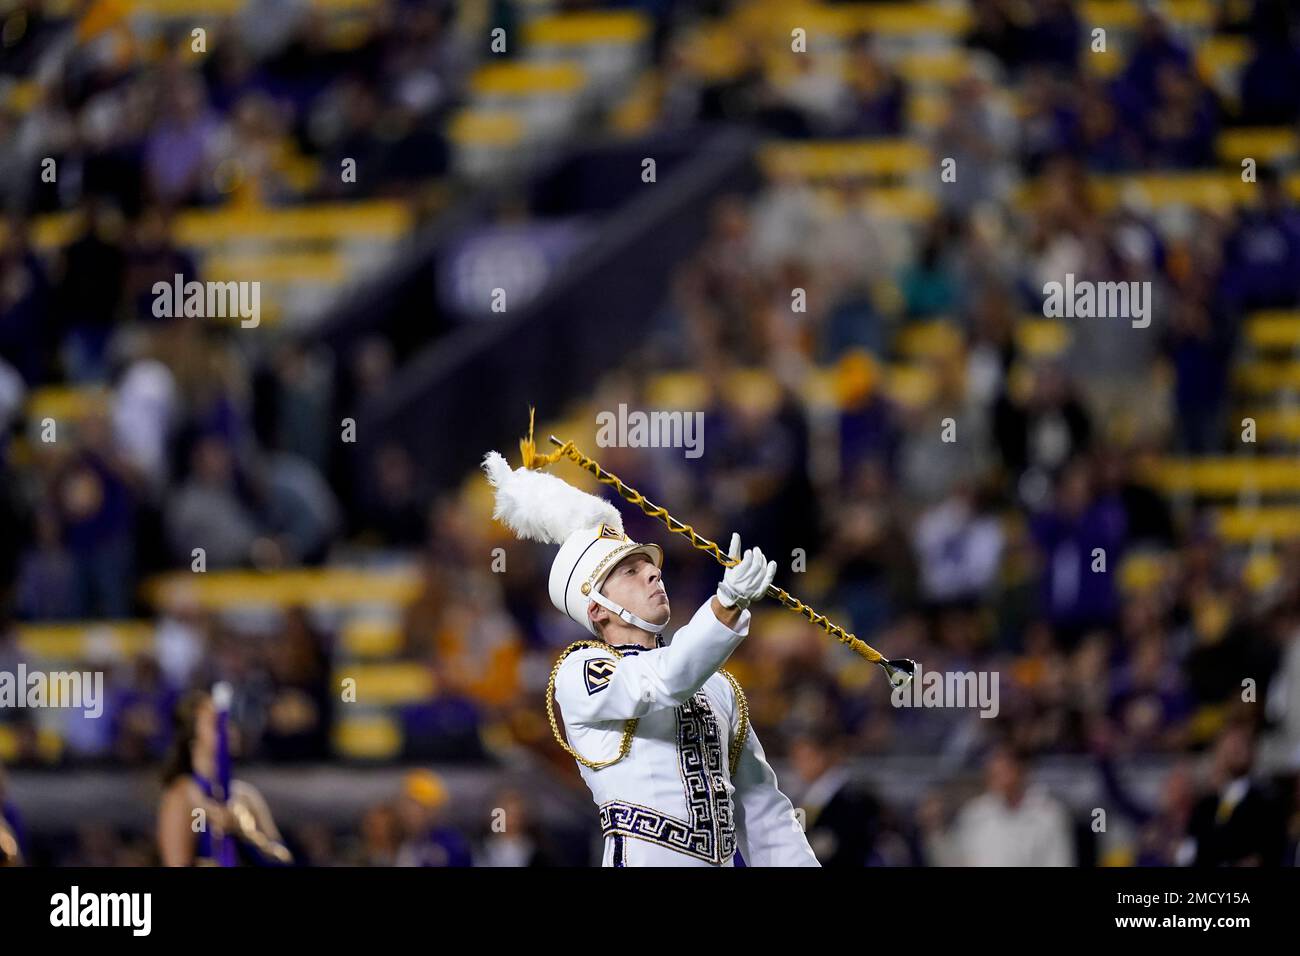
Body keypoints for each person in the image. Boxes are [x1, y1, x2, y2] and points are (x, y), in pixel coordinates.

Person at [483, 450, 818, 867]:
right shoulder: (582, 671)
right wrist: (726, 604)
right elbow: (663, 681)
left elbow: (765, 813)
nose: (654, 574)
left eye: (651, 567)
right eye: (630, 571)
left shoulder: (718, 685)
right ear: (597, 609)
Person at [157, 689, 292, 866]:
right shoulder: (183, 796)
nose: (228, 730)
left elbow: (283, 860)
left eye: (228, 722)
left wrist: (246, 833)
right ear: (193, 738)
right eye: (216, 724)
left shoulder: (245, 796)